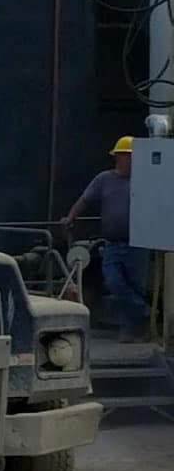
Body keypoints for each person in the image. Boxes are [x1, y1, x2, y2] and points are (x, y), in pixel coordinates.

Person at [62, 136, 151, 342]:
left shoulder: (145, 180)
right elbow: (85, 199)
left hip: (138, 244)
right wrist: (70, 217)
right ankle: (144, 310)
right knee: (114, 282)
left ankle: (129, 331)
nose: (133, 161)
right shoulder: (104, 180)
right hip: (112, 242)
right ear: (119, 157)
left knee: (134, 285)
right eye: (130, 156)